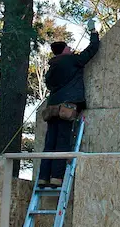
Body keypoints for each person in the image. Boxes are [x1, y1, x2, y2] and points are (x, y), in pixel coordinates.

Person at [38, 18, 99, 187]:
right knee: (63, 141)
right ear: (64, 50)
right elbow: (91, 50)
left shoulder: (52, 68)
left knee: (50, 142)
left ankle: (43, 177)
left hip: (52, 108)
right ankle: (56, 177)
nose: (71, 49)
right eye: (69, 47)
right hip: (67, 107)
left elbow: (49, 84)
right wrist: (93, 31)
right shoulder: (71, 60)